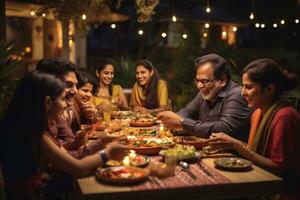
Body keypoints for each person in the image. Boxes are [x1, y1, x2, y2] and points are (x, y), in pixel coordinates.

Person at [0, 71, 128, 199]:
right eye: (62, 99)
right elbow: (78, 168)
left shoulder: (31, 126)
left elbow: (68, 156)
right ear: (48, 102)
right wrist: (108, 152)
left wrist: (101, 141)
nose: (66, 104)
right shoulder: (35, 134)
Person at [207, 59, 300, 200]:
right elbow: (253, 150)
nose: (243, 92)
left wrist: (236, 145)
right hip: (259, 182)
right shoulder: (257, 113)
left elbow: (278, 168)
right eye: (243, 87)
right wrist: (230, 143)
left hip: (284, 192)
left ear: (269, 89)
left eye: (248, 87)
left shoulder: (285, 116)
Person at [36, 57, 118, 159]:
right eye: (68, 85)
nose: (75, 91)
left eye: (75, 85)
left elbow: (70, 143)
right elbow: (73, 164)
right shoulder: (36, 121)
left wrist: (81, 139)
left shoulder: (56, 111)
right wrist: (105, 150)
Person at [157, 54, 251, 141]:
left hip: (233, 156)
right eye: (197, 81)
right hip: (210, 149)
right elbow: (187, 112)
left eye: (204, 81)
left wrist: (182, 122)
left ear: (222, 80)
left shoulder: (237, 94)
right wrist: (170, 120)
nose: (199, 86)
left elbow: (223, 128)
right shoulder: (206, 92)